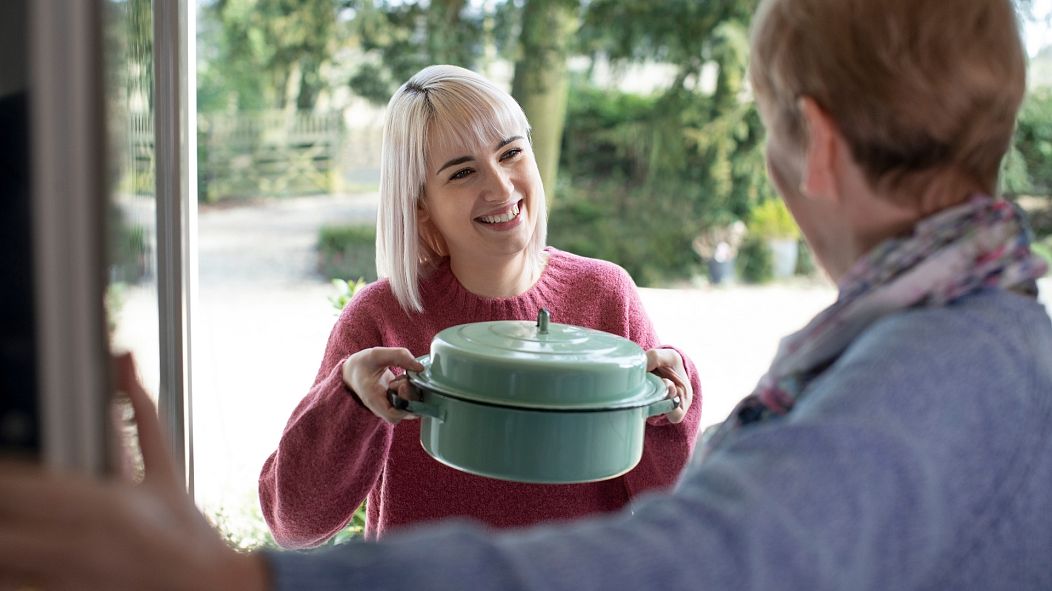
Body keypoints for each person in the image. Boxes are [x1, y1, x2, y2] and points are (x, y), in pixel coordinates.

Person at [2, 0, 1051, 589]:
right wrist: (347, 409)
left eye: (769, 124)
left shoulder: (923, 366)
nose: (501, 187)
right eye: (461, 173)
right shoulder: (983, 334)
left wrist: (224, 586)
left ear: (813, 144)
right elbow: (298, 512)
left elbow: (701, 551)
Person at [257, 64, 701, 546]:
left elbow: (669, 503)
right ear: (420, 205)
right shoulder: (380, 319)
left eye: (510, 153)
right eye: (463, 171)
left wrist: (671, 404)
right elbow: (294, 524)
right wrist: (348, 398)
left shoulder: (605, 295)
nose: (501, 187)